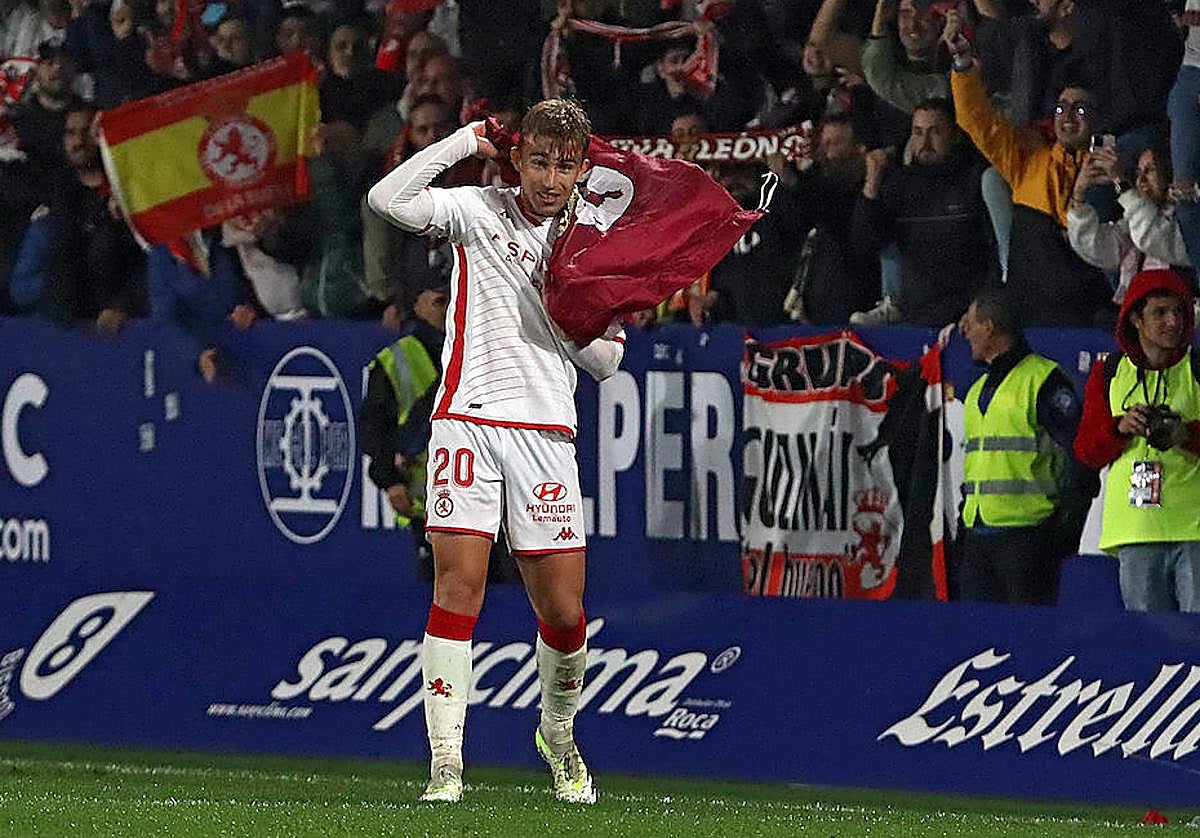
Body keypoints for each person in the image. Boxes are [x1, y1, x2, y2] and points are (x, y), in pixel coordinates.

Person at [366, 98, 625, 804]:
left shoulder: (595, 243)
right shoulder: (478, 210)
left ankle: (559, 733)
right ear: (517, 158)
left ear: (581, 170)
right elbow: (385, 197)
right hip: (467, 422)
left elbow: (608, 362)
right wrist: (464, 140)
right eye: (538, 161)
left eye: (564, 166)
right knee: (458, 589)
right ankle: (446, 762)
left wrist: (568, 311)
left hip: (545, 435)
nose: (549, 177)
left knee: (566, 612)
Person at [946, 16, 1110, 326]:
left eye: (1081, 109)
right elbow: (976, 121)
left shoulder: (1112, 170)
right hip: (1031, 314)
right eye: (1061, 108)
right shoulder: (1030, 160)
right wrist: (963, 63)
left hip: (1086, 318)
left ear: (1099, 120)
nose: (1068, 118)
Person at [956, 289, 1098, 605]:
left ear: (990, 326)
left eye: (971, 323)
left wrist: (1063, 530)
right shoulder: (977, 388)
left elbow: (1082, 456)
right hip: (978, 537)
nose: (965, 331)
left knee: (1030, 645)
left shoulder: (1043, 380)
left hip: (1027, 539)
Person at [1074, 269, 1200, 612]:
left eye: (1178, 312)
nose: (1172, 321)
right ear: (1135, 319)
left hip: (1194, 527)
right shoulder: (1110, 372)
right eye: (1160, 312)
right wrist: (1120, 428)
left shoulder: (1197, 368)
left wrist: (1186, 434)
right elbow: (1086, 451)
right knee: (1148, 642)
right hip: (1135, 529)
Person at [851, 97, 995, 326]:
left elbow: (997, 253)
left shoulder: (976, 180)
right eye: (917, 132)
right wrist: (872, 184)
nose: (925, 142)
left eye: (935, 132)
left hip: (969, 317)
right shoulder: (900, 184)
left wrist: (984, 307)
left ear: (956, 135)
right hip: (915, 317)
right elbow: (865, 243)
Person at [1068, 142, 1192, 308]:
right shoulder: (1133, 220)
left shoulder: (1186, 220)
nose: (1141, 180)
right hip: (1137, 315)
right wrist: (1079, 193)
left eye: (1150, 171)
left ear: (1169, 174)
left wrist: (1120, 182)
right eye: (1138, 172)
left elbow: (1151, 237)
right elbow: (1097, 248)